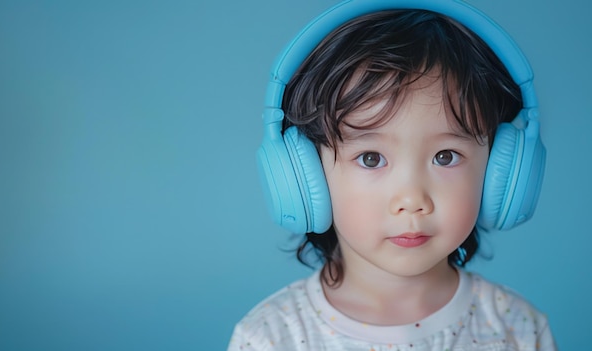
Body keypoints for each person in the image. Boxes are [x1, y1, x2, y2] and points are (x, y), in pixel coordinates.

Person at [229, 1, 556, 350]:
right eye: (371, 158)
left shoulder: (517, 328)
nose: (412, 200)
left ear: (496, 171)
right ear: (304, 173)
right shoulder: (271, 337)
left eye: (445, 157)